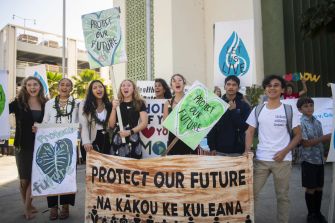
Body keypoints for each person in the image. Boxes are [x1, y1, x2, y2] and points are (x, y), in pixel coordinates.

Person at [244, 74, 302, 223]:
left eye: (276, 85)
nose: (272, 88)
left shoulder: (289, 110)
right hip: (261, 160)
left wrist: (284, 152)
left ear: (282, 89)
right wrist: (247, 151)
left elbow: (298, 135)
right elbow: (249, 131)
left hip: (283, 161)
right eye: (269, 86)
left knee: (282, 196)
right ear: (265, 90)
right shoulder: (258, 109)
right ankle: (249, 220)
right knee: (251, 194)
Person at [9, 76, 47, 220]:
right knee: (24, 179)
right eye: (29, 85)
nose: (32, 87)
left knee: (34, 178)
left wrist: (41, 127)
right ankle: (27, 204)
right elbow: (2, 111)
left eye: (35, 84)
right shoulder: (18, 103)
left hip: (41, 145)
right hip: (22, 144)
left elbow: (50, 121)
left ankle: (27, 207)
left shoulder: (46, 103)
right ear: (25, 87)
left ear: (40, 86)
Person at [42, 78, 79, 220]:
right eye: (62, 84)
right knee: (50, 176)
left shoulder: (77, 104)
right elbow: (45, 121)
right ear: (58, 87)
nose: (65, 87)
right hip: (51, 144)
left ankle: (65, 205)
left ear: (71, 88)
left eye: (68, 85)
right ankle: (53, 207)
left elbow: (79, 122)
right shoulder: (49, 103)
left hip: (69, 145)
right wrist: (38, 128)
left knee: (68, 176)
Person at [297, 97, 330, 223]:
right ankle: (311, 215)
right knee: (310, 188)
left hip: (319, 160)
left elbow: (321, 142)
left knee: (319, 187)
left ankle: (318, 212)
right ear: (300, 109)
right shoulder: (301, 123)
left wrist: (327, 152)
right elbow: (305, 143)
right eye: (306, 106)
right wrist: (325, 138)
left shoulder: (317, 122)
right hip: (308, 160)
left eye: (311, 105)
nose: (309, 108)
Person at [208, 76, 250, 156]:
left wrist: (234, 112)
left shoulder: (244, 106)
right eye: (228, 84)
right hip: (219, 150)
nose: (231, 87)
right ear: (224, 87)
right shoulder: (217, 105)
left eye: (234, 85)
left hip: (238, 151)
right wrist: (212, 147)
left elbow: (246, 127)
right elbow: (212, 127)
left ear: (238, 88)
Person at [109, 79, 148, 158]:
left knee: (133, 166)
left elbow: (144, 123)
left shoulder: (139, 103)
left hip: (132, 137)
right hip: (118, 138)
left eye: (128, 85)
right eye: (123, 85)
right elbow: (111, 125)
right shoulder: (116, 103)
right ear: (120, 89)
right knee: (117, 166)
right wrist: (113, 108)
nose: (125, 87)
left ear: (133, 89)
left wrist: (130, 132)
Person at [163, 74, 197, 155]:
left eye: (179, 80)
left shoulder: (192, 101)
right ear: (171, 86)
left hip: (189, 142)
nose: (177, 82)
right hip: (173, 143)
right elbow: (165, 126)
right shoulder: (167, 103)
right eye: (174, 81)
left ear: (184, 83)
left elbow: (197, 122)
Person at [79, 80, 112, 154]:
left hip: (105, 137)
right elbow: (83, 124)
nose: (98, 89)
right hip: (91, 138)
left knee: (106, 164)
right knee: (93, 165)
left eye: (100, 87)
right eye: (95, 88)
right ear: (91, 91)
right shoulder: (84, 104)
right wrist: (86, 141)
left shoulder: (108, 104)